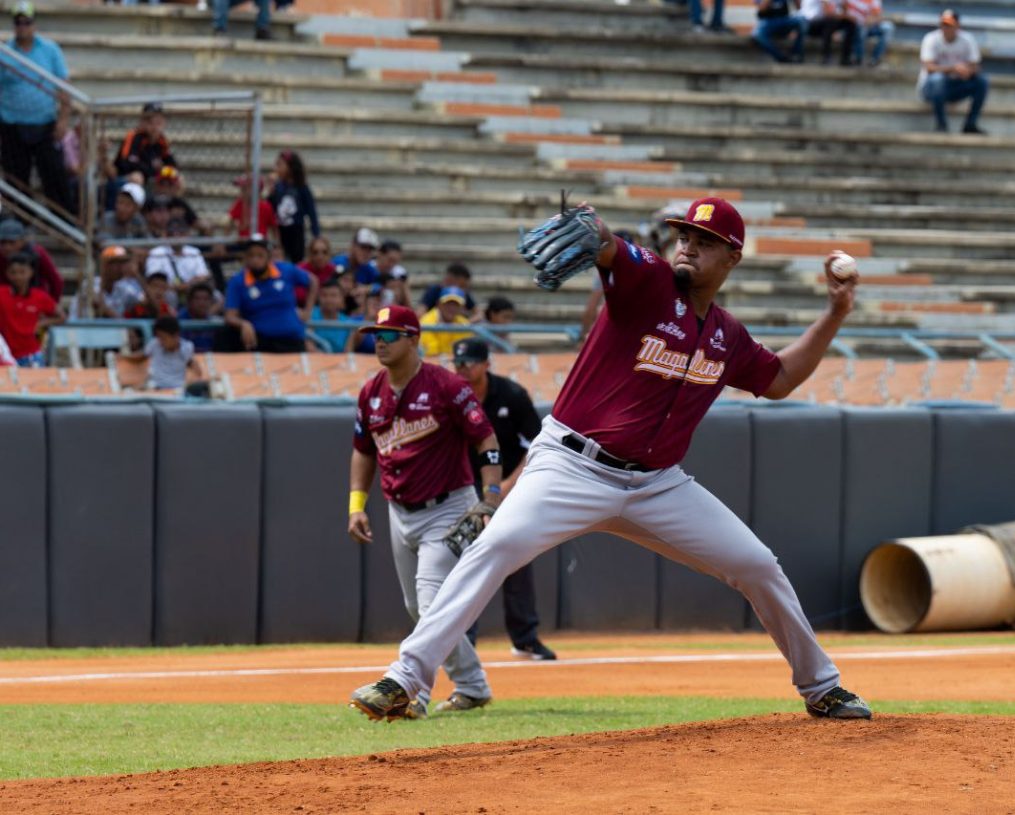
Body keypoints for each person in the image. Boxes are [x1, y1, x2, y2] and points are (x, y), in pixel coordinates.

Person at [348, 196, 873, 722]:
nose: (688, 246)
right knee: (498, 544)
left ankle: (821, 685)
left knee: (757, 564)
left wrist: (834, 313)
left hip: (658, 485)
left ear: (732, 257)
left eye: (704, 242)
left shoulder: (725, 336)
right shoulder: (648, 282)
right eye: (684, 236)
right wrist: (595, 228)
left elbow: (779, 379)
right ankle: (405, 677)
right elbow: (610, 248)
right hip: (571, 463)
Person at [346, 305, 503, 719]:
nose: (379, 341)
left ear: (414, 339)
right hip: (399, 509)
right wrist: (355, 505)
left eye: (390, 334)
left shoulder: (446, 385)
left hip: (449, 504)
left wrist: (490, 496)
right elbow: (363, 451)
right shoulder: (371, 391)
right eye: (376, 334)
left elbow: (486, 438)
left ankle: (410, 692)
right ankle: (472, 685)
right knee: (419, 608)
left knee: (431, 601)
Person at [452, 337, 557, 661]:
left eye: (470, 362)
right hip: (463, 490)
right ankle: (462, 641)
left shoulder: (511, 395)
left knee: (517, 557)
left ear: (486, 364)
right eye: (458, 363)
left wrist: (507, 485)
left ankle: (524, 638)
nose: (464, 369)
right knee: (464, 564)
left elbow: (538, 445)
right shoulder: (449, 397)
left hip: (510, 488)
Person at [0, 2, 73, 213]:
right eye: (18, 22)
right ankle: (20, 223)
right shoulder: (6, 53)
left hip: (44, 123)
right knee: (16, 178)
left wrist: (63, 119)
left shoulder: (50, 50)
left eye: (26, 22)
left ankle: (63, 220)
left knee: (54, 175)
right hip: (12, 124)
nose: (22, 26)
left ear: (34, 24)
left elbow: (64, 86)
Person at [222, 234, 316, 353]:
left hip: (292, 340)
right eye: (251, 255)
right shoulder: (238, 281)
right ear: (245, 258)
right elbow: (230, 315)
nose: (255, 260)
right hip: (260, 343)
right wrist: (243, 324)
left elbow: (313, 281)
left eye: (260, 255)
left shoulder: (285, 270)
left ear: (268, 256)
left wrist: (308, 310)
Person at [918, 9, 987, 134]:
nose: (946, 28)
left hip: (955, 86)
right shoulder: (931, 39)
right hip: (930, 88)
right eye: (943, 24)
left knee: (981, 81)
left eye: (949, 25)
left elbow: (976, 65)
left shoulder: (967, 39)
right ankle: (941, 125)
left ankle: (970, 124)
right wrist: (953, 68)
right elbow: (928, 67)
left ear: (957, 26)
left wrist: (968, 71)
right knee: (938, 79)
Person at [0, 250, 64, 366]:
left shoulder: (40, 296)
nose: (18, 276)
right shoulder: (2, 293)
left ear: (31, 272)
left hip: (31, 355)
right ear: (7, 274)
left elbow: (61, 316)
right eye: (13, 272)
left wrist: (42, 323)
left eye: (22, 272)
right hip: (6, 355)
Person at [120, 315, 205, 392]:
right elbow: (140, 357)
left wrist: (191, 382)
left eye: (164, 338)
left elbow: (196, 369)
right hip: (155, 387)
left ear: (175, 336)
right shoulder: (154, 344)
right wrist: (123, 357)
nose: (161, 341)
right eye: (159, 337)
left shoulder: (186, 348)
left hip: (177, 389)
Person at [268, 149, 319, 264]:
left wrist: (316, 234)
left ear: (290, 167)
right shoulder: (278, 187)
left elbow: (311, 211)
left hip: (296, 231)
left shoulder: (301, 187)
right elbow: (270, 207)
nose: (277, 168)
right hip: (280, 231)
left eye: (280, 165)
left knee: (297, 260)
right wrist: (270, 192)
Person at [70, 244, 144, 319]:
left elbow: (146, 303)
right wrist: (125, 325)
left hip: (111, 329)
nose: (121, 267)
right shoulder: (90, 284)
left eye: (123, 263)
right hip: (80, 329)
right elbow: (101, 307)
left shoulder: (122, 288)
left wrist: (137, 274)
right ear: (105, 266)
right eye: (116, 263)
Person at [112, 102, 177, 183]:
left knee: (176, 177)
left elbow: (171, 163)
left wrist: (164, 170)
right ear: (142, 122)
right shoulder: (134, 136)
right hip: (123, 179)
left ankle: (165, 196)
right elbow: (127, 164)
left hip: (150, 177)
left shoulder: (162, 140)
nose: (155, 126)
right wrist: (152, 169)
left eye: (158, 122)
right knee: (137, 177)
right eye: (150, 122)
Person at [145, 217, 212, 295]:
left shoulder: (195, 252)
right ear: (165, 235)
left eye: (181, 233)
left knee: (215, 296)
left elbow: (203, 276)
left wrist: (186, 286)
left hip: (191, 292)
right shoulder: (156, 253)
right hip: (167, 292)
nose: (176, 236)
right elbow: (154, 282)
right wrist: (179, 288)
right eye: (172, 233)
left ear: (187, 234)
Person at [0, 218, 61, 302]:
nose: (7, 247)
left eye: (11, 242)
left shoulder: (37, 254)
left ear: (22, 241)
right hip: (7, 303)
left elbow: (55, 280)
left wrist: (51, 305)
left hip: (34, 301)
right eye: (3, 242)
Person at [419, 287, 473, 357]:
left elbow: (464, 351)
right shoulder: (427, 322)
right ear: (439, 303)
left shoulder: (464, 324)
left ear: (462, 307)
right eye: (448, 303)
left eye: (456, 304)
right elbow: (431, 354)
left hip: (455, 364)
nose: (452, 308)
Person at [801, 0, 856, 65]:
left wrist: (845, 11)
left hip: (826, 22)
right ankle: (825, 57)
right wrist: (846, 16)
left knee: (850, 24)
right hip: (809, 23)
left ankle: (845, 58)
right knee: (830, 21)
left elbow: (845, 8)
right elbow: (828, 12)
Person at [227, 174, 278, 242]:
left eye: (244, 189)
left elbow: (274, 228)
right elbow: (229, 224)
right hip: (243, 242)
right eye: (242, 189)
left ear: (256, 190)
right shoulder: (240, 204)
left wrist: (277, 246)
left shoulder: (266, 206)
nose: (241, 191)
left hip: (260, 243)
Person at [309, 279, 355, 353]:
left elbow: (347, 352)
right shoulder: (309, 316)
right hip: (315, 362)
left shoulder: (349, 324)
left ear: (341, 298)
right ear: (318, 298)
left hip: (340, 363)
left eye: (333, 295)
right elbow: (309, 347)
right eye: (324, 295)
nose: (328, 299)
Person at [846, 0, 893, 67]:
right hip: (854, 25)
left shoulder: (874, 1)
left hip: (870, 26)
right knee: (861, 30)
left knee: (888, 27)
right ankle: (858, 59)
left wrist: (871, 21)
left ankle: (875, 59)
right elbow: (846, 14)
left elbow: (878, 17)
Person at [178, 282, 218, 352]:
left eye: (206, 299)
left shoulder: (215, 323)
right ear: (189, 301)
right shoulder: (178, 321)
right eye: (197, 299)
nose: (202, 303)